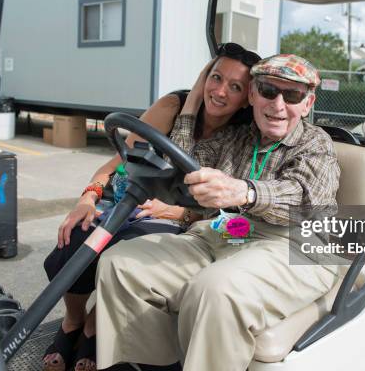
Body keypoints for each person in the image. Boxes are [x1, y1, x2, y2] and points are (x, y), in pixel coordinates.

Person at [94, 54, 340, 371]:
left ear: (307, 104)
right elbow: (182, 161)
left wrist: (244, 191)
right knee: (121, 264)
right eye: (268, 91)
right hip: (226, 232)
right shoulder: (236, 138)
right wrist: (192, 102)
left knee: (216, 289)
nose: (278, 105)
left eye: (291, 95)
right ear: (253, 95)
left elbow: (305, 199)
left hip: (295, 246)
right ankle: (155, 365)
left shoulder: (315, 143)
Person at [42, 43, 261, 371]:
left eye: (235, 87)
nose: (219, 91)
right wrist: (87, 198)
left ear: (247, 96)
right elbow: (119, 163)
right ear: (204, 78)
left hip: (167, 219)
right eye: (215, 78)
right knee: (74, 244)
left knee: (124, 258)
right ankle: (73, 322)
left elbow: (227, 214)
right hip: (121, 200)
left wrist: (177, 212)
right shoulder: (174, 106)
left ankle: (93, 326)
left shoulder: (240, 138)